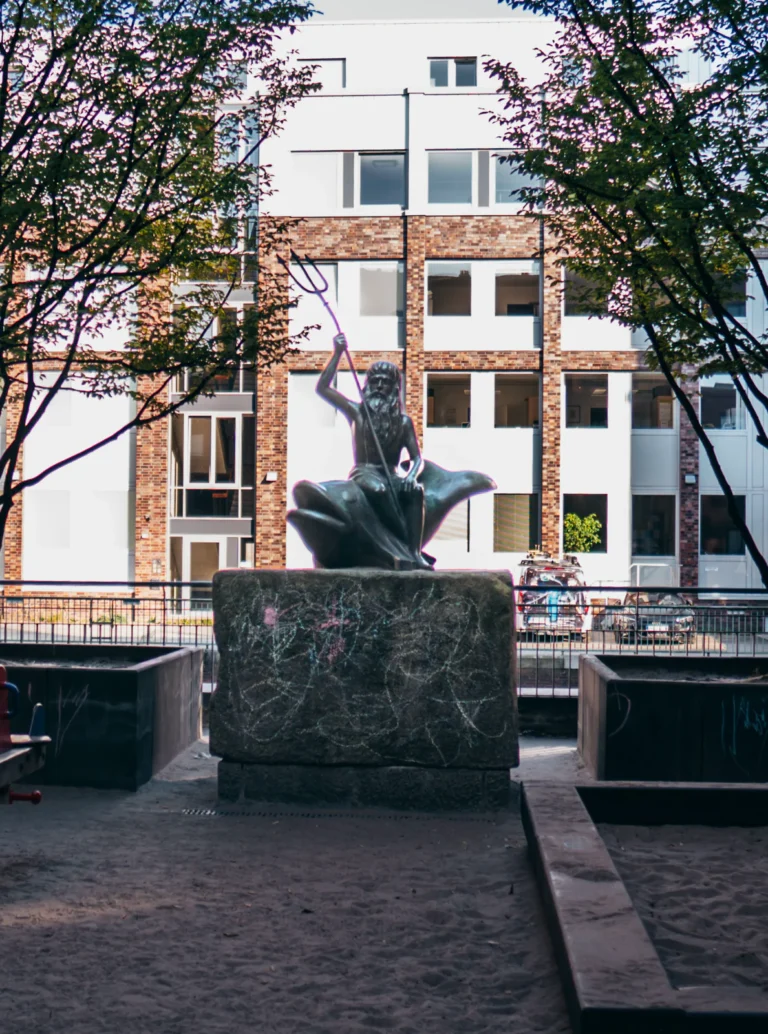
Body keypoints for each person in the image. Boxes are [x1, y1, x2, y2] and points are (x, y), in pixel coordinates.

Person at [316, 333, 426, 559]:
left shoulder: (403, 423)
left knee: (415, 491)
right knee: (378, 490)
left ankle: (414, 552)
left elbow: (417, 458)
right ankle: (398, 542)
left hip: (392, 474)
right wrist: (337, 354)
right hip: (364, 472)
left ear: (394, 388)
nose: (379, 386)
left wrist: (411, 476)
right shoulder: (357, 412)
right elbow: (323, 388)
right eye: (375, 381)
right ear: (367, 384)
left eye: (385, 382)